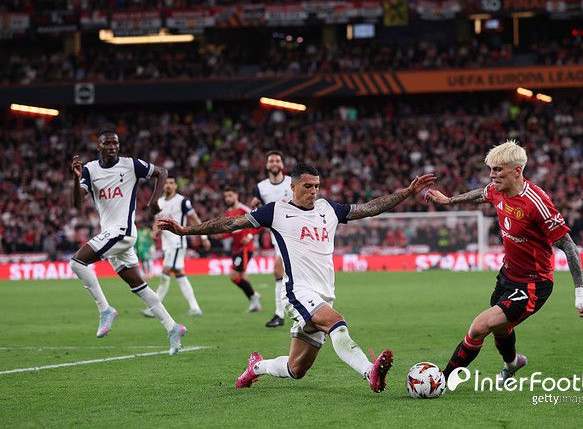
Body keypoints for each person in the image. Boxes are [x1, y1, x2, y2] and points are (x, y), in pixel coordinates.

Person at [158, 163, 437, 393]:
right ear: (293, 186)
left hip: (324, 293)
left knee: (296, 369)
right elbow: (231, 222)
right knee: (336, 322)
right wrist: (186, 231)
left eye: (316, 186)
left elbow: (370, 208)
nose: (313, 191)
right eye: (307, 186)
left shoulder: (329, 209)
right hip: (297, 292)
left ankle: (256, 367)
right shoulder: (276, 211)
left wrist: (406, 192)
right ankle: (370, 372)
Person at [424, 140, 583, 385]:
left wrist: (580, 293)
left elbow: (569, 246)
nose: (492, 175)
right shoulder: (497, 190)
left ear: (517, 171)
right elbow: (480, 194)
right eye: (491, 170)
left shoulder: (537, 204)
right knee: (500, 328)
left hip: (533, 284)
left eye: (498, 170)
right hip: (507, 276)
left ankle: (441, 380)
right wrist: (450, 201)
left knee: (480, 326)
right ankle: (513, 363)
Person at [69, 130, 186, 355]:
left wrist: (153, 202)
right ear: (99, 147)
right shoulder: (90, 170)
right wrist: (76, 178)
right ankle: (173, 327)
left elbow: (161, 172)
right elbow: (77, 201)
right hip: (112, 234)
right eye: (107, 144)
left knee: (76, 262)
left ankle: (105, 309)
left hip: (122, 232)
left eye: (115, 143)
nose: (113, 147)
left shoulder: (130, 165)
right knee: (139, 287)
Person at [142, 174, 211, 318]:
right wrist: (154, 232)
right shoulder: (159, 202)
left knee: (165, 272)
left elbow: (194, 218)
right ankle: (195, 308)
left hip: (177, 242)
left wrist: (204, 237)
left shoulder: (182, 201)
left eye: (171, 183)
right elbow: (157, 222)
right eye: (166, 183)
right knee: (179, 274)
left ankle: (154, 308)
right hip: (167, 244)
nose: (168, 185)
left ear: (175, 186)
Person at [250, 150, 292, 328]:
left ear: (282, 164)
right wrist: (256, 207)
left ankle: (283, 313)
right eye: (271, 161)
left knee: (285, 271)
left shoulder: (292, 182)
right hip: (277, 234)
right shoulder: (261, 187)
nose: (274, 163)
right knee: (280, 271)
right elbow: (256, 208)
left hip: (295, 232)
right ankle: (280, 313)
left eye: (277, 160)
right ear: (267, 165)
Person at [220, 187, 262, 312]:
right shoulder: (228, 213)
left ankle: (254, 296)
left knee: (234, 275)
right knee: (242, 275)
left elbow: (260, 223)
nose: (228, 199)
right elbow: (231, 231)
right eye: (226, 196)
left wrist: (249, 236)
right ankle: (254, 301)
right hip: (236, 248)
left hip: (245, 248)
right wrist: (220, 236)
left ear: (236, 195)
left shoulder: (244, 210)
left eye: (230, 195)